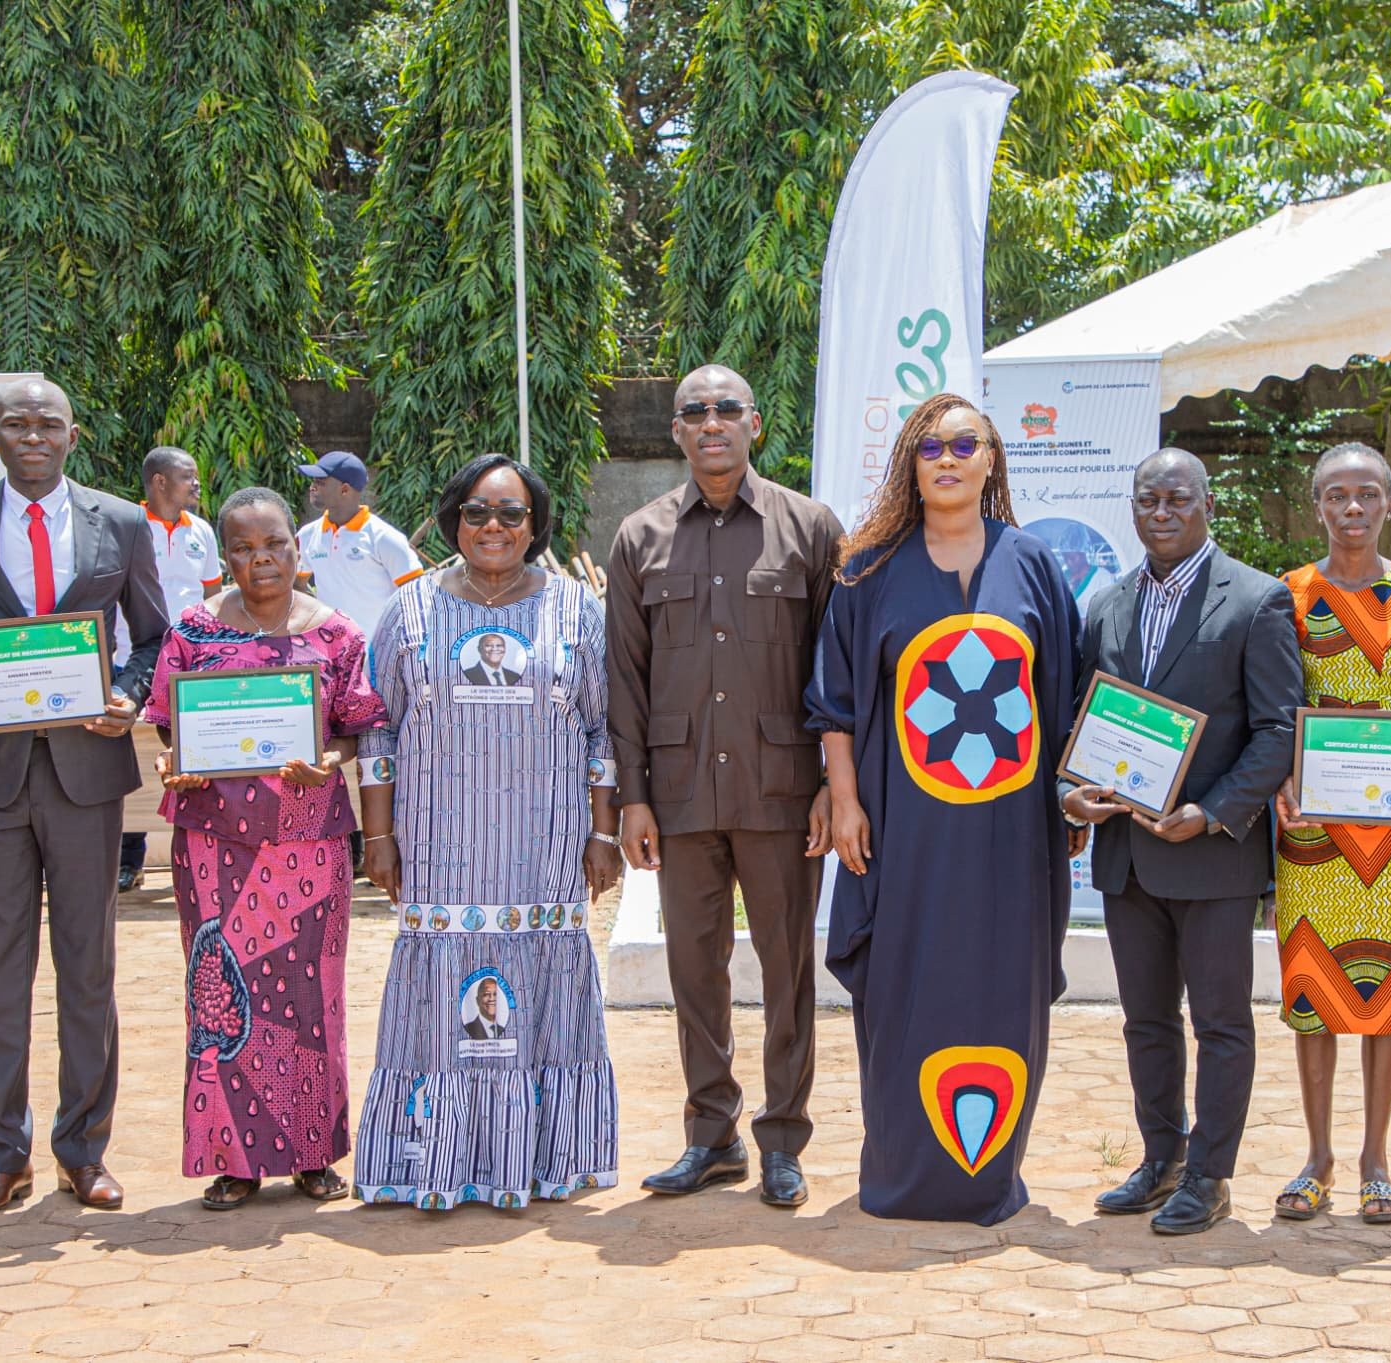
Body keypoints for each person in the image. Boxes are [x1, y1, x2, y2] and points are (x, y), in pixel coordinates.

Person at [806, 393, 1082, 1225]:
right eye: (931, 447)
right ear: (909, 464)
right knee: (903, 988)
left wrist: (1073, 800)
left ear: (992, 459)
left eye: (966, 443)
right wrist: (845, 802)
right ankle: (901, 1174)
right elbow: (838, 702)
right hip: (905, 831)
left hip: (1008, 835)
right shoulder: (867, 570)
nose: (949, 457)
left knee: (1003, 987)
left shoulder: (1031, 562)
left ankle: (987, 1180)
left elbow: (1062, 695)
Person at [0, 378, 169, 1217]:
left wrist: (130, 693)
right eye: (16, 423)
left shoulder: (120, 523)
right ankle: (3, 1154)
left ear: (72, 432)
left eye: (46, 423)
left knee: (88, 966)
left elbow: (155, 637)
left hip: (86, 775)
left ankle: (82, 1151)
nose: (31, 435)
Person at [351, 454, 624, 1209]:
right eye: (477, 511)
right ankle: (432, 1160)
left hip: (546, 853)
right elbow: (378, 733)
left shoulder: (575, 610)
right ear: (453, 520)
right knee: (441, 998)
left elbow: (603, 730)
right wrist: (378, 838)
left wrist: (602, 834)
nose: (493, 527)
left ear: (534, 525)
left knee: (547, 994)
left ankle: (544, 1159)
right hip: (441, 853)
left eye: (511, 513)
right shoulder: (408, 613)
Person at [607, 364, 841, 1207]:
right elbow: (623, 678)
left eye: (727, 409)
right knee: (693, 972)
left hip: (782, 789)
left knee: (787, 967)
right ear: (676, 431)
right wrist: (632, 795)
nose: (712, 422)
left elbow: (834, 669)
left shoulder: (809, 528)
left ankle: (782, 1137)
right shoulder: (640, 537)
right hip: (677, 793)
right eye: (694, 411)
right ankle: (712, 1136)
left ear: (755, 423)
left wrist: (830, 782)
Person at [1064, 447, 1298, 1236]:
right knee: (1146, 1021)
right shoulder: (1105, 604)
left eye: (1177, 499)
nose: (1161, 512)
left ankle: (1210, 1173)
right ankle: (1160, 1157)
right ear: (1132, 507)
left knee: (1221, 1024)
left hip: (1211, 853)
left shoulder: (1257, 600)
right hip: (1128, 855)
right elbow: (1077, 723)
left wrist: (1214, 810)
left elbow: (1275, 733)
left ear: (1206, 503)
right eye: (1148, 500)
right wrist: (1076, 795)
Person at [142, 486, 382, 1211]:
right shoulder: (191, 630)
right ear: (224, 559)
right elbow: (166, 721)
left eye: (273, 544)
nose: (261, 559)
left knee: (312, 995)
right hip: (214, 843)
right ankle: (233, 1159)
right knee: (218, 998)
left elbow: (355, 726)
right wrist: (174, 757)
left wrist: (330, 759)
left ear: (297, 549)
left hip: (307, 841)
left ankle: (313, 1153)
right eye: (243, 548)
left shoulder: (336, 634)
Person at [1264, 444, 1391, 1228]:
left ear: (1390, 502)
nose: (1353, 508)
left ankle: (1376, 1159)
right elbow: (1274, 707)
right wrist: (1281, 784)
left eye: (1367, 493)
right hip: (1313, 829)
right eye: (1337, 495)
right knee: (1314, 999)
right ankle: (1318, 1156)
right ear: (1317, 506)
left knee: (1384, 998)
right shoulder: (1290, 596)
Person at [121, 445, 224, 893]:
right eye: (188, 476)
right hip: (132, 660)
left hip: (193, 661)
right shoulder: (126, 527)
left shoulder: (200, 530)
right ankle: (130, 860)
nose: (197, 484)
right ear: (159, 481)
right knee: (133, 756)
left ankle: (210, 850)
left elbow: (214, 595)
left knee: (201, 753)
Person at [296, 450, 424, 638]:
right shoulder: (307, 536)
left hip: (377, 655)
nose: (312, 487)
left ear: (345, 489)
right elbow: (296, 585)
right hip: (331, 653)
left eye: (320, 482)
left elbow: (416, 595)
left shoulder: (383, 538)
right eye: (313, 481)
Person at [460, 631, 527, 688]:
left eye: (499, 646)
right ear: (479, 649)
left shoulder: (514, 676)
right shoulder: (468, 675)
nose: (495, 649)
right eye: (488, 645)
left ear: (505, 649)